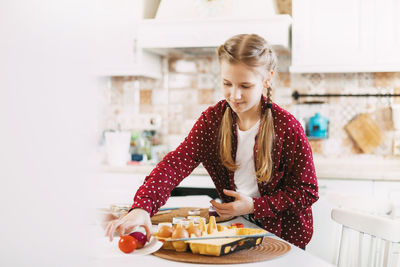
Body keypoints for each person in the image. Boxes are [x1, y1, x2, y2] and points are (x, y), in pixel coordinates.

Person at [105, 33, 319, 249]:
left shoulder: (287, 127)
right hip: (236, 229)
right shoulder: (213, 122)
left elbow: (307, 191)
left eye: (245, 86)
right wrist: (142, 207)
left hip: (283, 239)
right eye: (227, 83)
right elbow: (175, 163)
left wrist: (254, 206)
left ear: (267, 79)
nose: (234, 95)